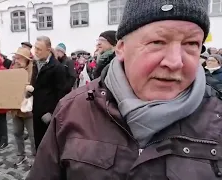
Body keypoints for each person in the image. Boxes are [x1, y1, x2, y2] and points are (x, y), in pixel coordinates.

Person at [27, 0, 220, 179]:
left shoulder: (216, 117)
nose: (175, 62)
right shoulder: (72, 110)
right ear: (121, 48)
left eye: (191, 44)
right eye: (157, 42)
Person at [30, 36, 67, 150]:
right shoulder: (35, 64)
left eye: (39, 49)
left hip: (48, 114)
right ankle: (39, 165)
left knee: (49, 145)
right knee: (39, 143)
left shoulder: (57, 67)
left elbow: (62, 93)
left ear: (48, 49)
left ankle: (49, 166)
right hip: (36, 110)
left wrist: (52, 112)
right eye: (35, 48)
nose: (36, 51)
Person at [9, 47, 36, 166]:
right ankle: (21, 155)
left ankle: (37, 158)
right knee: (17, 133)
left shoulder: (33, 71)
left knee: (33, 136)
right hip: (16, 109)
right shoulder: (13, 70)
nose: (17, 60)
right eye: (16, 57)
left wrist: (30, 91)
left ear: (26, 59)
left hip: (29, 109)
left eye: (19, 58)